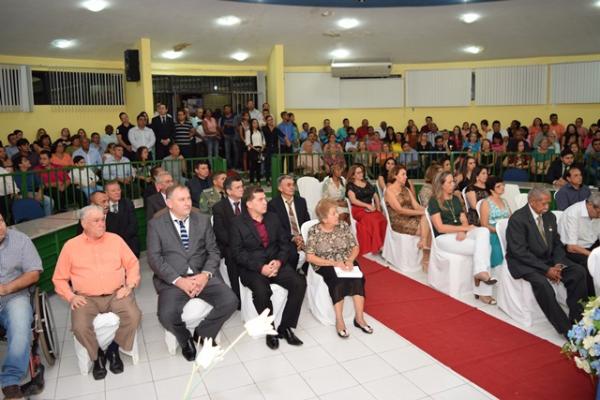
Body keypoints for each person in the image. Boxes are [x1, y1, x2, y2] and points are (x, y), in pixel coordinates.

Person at [146, 185, 237, 361]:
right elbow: (155, 259)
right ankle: (185, 338)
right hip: (173, 280)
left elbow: (213, 252)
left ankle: (203, 333)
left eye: (188, 198)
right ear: (169, 203)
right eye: (182, 200)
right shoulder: (156, 225)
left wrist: (205, 275)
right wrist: (179, 281)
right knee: (166, 315)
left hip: (202, 275)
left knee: (230, 301)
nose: (188, 203)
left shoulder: (202, 220)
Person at [53, 205, 141, 380]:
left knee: (134, 316)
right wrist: (71, 296)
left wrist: (129, 286)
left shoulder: (115, 240)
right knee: (79, 327)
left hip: (116, 293)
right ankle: (97, 356)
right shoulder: (70, 246)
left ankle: (115, 349)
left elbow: (132, 264)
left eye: (103, 219)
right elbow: (59, 279)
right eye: (96, 221)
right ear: (84, 223)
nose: (102, 223)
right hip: (85, 298)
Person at [229, 186, 307, 350]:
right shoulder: (237, 223)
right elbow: (238, 254)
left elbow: (284, 244)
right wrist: (260, 267)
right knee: (262, 291)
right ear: (249, 204)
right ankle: (270, 329)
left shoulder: (273, 218)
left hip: (275, 263)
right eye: (260, 199)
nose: (265, 202)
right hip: (252, 268)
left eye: (265, 198)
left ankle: (285, 327)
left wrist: (278, 262)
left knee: (299, 283)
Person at [506, 187, 588, 337]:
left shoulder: (549, 217)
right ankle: (567, 330)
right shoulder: (518, 219)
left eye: (548, 203)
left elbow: (557, 244)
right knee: (543, 285)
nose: (547, 207)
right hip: (525, 262)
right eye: (543, 203)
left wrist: (557, 264)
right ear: (531, 202)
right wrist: (545, 269)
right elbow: (520, 252)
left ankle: (578, 320)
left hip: (548, 259)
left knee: (578, 272)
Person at [306, 199, 373, 338]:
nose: (338, 215)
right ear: (324, 219)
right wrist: (333, 263)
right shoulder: (314, 231)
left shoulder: (342, 226)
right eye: (334, 213)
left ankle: (359, 318)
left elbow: (355, 247)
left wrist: (349, 260)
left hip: (345, 260)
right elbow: (310, 257)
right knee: (338, 281)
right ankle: (339, 320)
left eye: (337, 212)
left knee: (358, 278)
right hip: (325, 263)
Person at [428, 171, 497, 305]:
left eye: (453, 181)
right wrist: (462, 229)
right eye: (449, 182)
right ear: (441, 185)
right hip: (444, 238)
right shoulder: (434, 200)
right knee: (485, 248)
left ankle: (479, 272)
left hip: (460, 233)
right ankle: (483, 291)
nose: (453, 184)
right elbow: (440, 227)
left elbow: (463, 220)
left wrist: (464, 230)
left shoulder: (455, 199)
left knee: (483, 231)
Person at [0, 214, 42, 399]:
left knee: (20, 327)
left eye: (0, 221)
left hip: (14, 296)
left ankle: (10, 381)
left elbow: (33, 273)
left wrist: (6, 288)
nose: (0, 227)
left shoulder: (20, 240)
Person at [558, 194, 600, 295]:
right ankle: (592, 302)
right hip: (572, 248)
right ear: (590, 205)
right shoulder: (574, 213)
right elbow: (571, 247)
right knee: (591, 264)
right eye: (599, 212)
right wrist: (594, 255)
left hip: (591, 244)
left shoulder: (596, 211)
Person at [268, 175, 311, 273]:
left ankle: (310, 277)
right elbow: (276, 228)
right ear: (280, 188)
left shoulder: (301, 201)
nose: (292, 187)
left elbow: (307, 221)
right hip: (286, 238)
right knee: (292, 253)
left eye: (293, 184)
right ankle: (293, 275)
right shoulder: (273, 205)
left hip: (302, 237)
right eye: (288, 185)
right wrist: (293, 238)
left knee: (317, 249)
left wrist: (302, 237)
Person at [212, 176, 245, 301]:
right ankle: (238, 297)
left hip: (250, 242)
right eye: (238, 187)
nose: (242, 189)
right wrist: (238, 244)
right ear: (229, 191)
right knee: (232, 256)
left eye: (242, 186)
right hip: (230, 245)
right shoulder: (219, 207)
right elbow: (220, 233)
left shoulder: (248, 203)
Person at [346, 164, 387, 256]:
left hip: (370, 208)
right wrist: (367, 206)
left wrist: (378, 207)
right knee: (374, 221)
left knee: (382, 219)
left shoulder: (367, 183)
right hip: (358, 210)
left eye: (362, 172)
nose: (362, 174)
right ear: (353, 175)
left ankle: (385, 244)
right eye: (358, 173)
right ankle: (379, 246)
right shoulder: (350, 185)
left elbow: (375, 195)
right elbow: (353, 200)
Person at [385, 164, 427, 245]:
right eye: (403, 174)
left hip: (412, 217)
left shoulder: (406, 189)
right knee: (427, 227)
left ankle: (425, 248)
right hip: (400, 221)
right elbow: (400, 210)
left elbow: (416, 206)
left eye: (406, 174)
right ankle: (425, 252)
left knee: (430, 220)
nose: (406, 177)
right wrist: (422, 213)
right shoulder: (389, 191)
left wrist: (427, 211)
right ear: (395, 176)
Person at [479, 176, 511, 268]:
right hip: (492, 233)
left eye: (502, 185)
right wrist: (498, 231)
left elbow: (511, 218)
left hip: (505, 231)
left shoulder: (504, 201)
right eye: (498, 186)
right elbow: (484, 224)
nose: (502, 187)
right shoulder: (486, 202)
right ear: (491, 189)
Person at [104, 180, 140, 257]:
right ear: (106, 193)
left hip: (128, 240)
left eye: (118, 190)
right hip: (110, 243)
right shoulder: (103, 205)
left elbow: (133, 225)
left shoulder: (127, 203)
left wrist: (121, 241)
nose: (117, 192)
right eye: (113, 191)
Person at [245, 118, 266, 184]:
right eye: (254, 123)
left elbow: (264, 141)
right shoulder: (248, 132)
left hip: (260, 149)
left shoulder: (261, 132)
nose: (255, 124)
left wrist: (262, 148)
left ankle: (258, 180)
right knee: (252, 166)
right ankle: (251, 180)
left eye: (256, 123)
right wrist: (255, 149)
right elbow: (248, 143)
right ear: (251, 124)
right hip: (252, 150)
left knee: (258, 166)